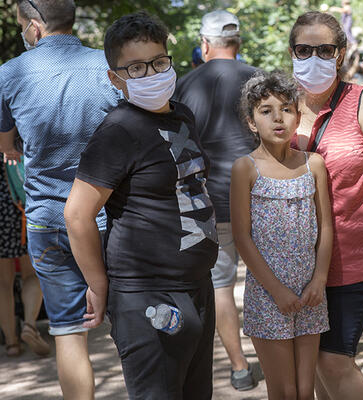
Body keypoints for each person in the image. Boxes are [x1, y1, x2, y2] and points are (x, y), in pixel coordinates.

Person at [64, 12, 218, 400]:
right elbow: (78, 213)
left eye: (158, 62)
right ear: (115, 78)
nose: (151, 73)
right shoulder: (118, 131)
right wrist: (98, 285)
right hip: (148, 295)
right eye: (136, 68)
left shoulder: (182, 114)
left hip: (197, 287)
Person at [0, 1, 119, 398]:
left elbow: (6, 144)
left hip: (48, 220)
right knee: (132, 326)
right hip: (110, 220)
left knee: (68, 333)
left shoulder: (11, 73)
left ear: (34, 27)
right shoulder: (110, 66)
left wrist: (18, 148)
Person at [288, 11, 363, 400]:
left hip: (355, 257)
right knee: (313, 362)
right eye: (304, 49)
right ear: (292, 52)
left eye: (325, 49)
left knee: (333, 361)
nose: (314, 57)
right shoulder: (281, 106)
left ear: (340, 54)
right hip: (296, 259)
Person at [230, 70, 333, 400]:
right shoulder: (245, 168)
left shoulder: (313, 164)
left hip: (310, 293)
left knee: (305, 391)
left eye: (286, 109)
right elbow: (242, 237)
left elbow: (326, 227)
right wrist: (276, 291)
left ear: (298, 117)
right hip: (268, 295)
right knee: (284, 391)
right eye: (266, 111)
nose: (278, 118)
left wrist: (319, 280)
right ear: (250, 121)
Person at [174, 9, 258, 391]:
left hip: (208, 204)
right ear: (238, 43)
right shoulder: (259, 80)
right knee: (267, 281)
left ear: (205, 44)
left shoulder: (185, 84)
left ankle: (240, 368)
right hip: (261, 199)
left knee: (221, 286)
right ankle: (279, 362)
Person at [0, 159, 49, 357]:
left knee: (3, 282)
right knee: (33, 272)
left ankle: (11, 343)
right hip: (19, 203)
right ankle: (29, 325)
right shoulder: (9, 127)